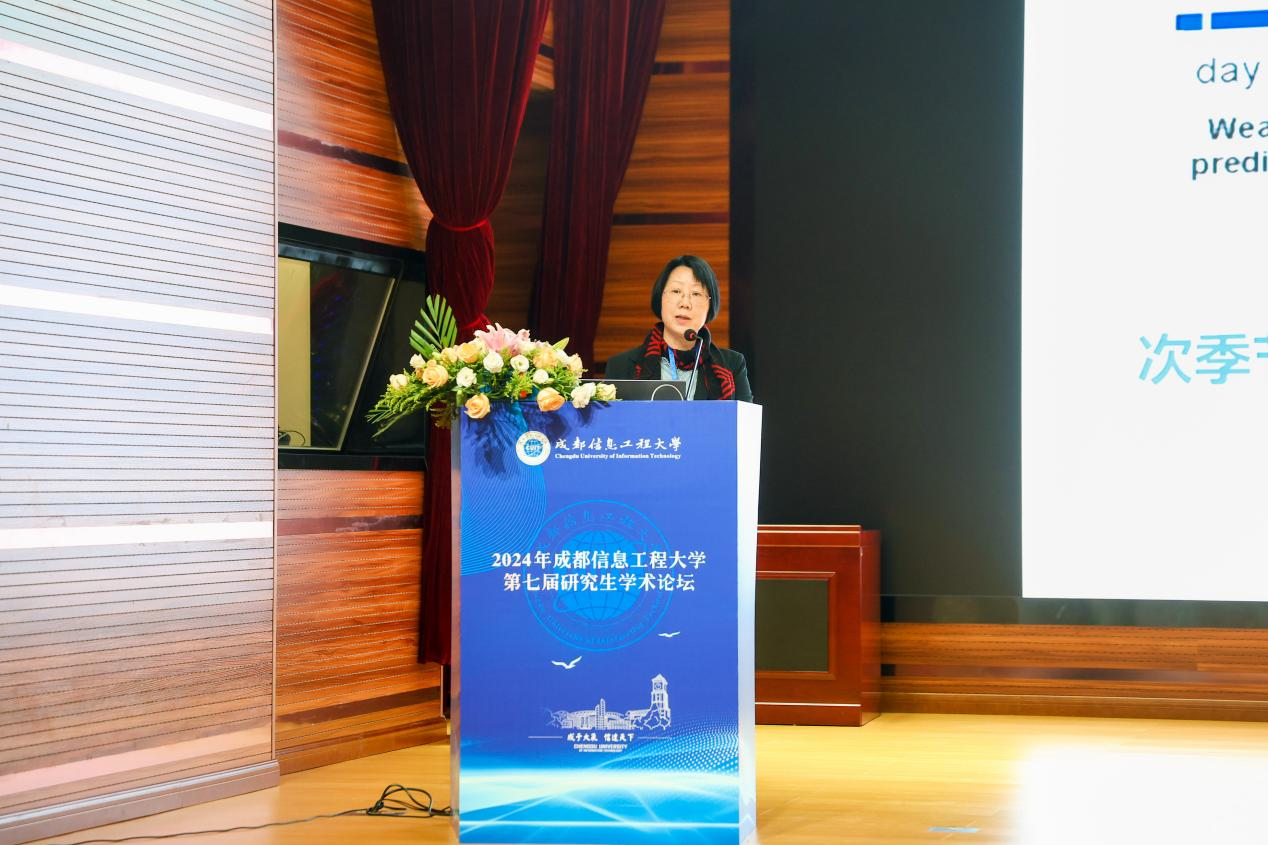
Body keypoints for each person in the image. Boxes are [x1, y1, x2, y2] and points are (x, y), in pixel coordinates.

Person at [605, 255, 752, 401]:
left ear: (710, 305)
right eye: (676, 291)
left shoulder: (732, 365)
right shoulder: (621, 366)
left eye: (696, 293)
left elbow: (746, 417)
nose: (685, 303)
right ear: (660, 297)